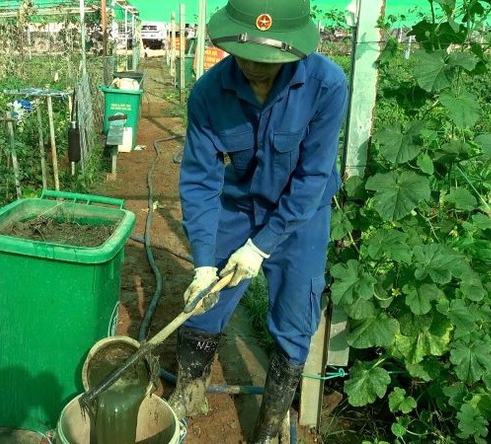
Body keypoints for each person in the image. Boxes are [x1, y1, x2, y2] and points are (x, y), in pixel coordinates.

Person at [169, 0, 348, 442]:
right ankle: (188, 392)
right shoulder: (209, 93)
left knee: (294, 316)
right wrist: (204, 264)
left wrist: (260, 247)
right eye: (244, 53)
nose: (253, 66)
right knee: (205, 301)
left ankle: (270, 426)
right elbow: (200, 182)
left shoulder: (327, 85)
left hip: (301, 213)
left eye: (268, 59)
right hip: (240, 203)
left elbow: (312, 177)